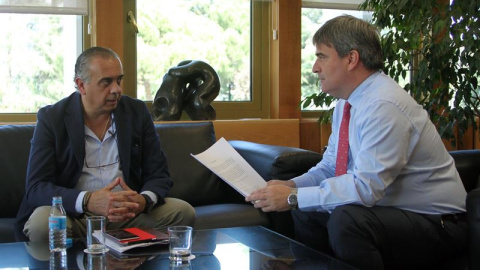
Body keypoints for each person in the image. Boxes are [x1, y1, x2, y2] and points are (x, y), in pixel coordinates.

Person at [246, 15, 467, 270]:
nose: (315, 67)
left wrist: (293, 197)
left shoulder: (383, 105)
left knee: (346, 219)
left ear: (351, 59)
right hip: (392, 213)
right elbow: (330, 166)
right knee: (305, 208)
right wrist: (291, 186)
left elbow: (367, 188)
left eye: (322, 56)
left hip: (440, 223)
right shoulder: (347, 103)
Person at [15, 46, 195, 241]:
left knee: (182, 212)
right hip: (75, 217)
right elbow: (37, 187)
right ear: (81, 85)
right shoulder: (52, 118)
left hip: (128, 215)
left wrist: (143, 200)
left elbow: (159, 174)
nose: (116, 89)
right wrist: (88, 201)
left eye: (119, 80)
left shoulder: (136, 112)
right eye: (106, 82)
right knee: (43, 223)